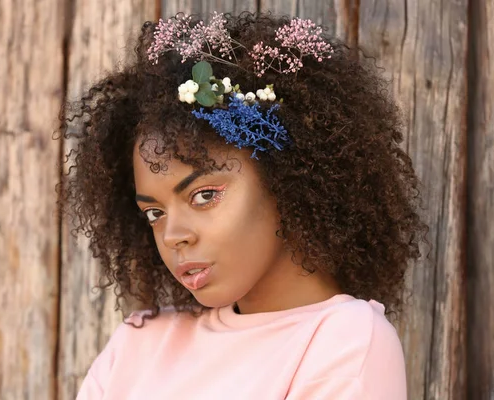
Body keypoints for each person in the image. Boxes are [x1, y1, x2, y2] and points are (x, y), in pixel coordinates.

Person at [60, 11, 428, 399]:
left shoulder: (343, 341)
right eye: (155, 213)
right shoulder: (136, 346)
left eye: (204, 196)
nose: (173, 236)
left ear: (285, 178)